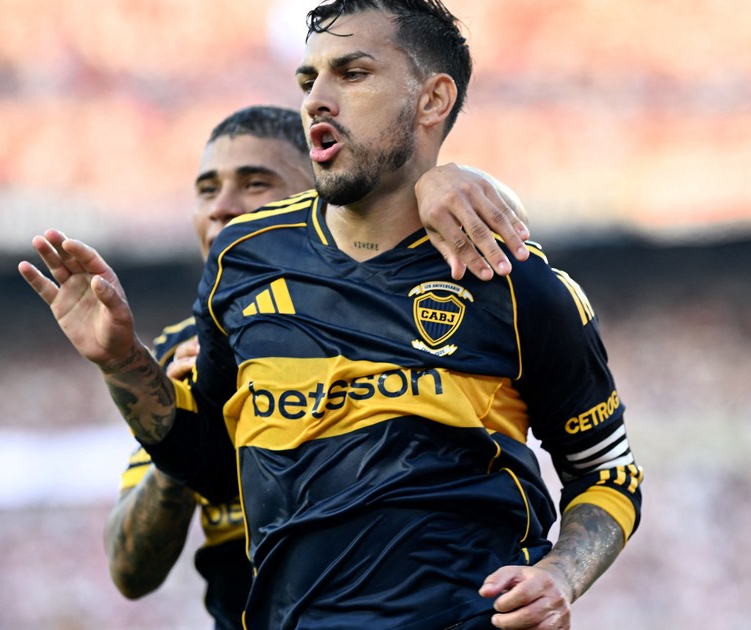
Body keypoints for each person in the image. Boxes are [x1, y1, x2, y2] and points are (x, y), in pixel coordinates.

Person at [22, 2, 642, 627]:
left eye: (352, 73)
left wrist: (561, 575)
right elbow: (210, 462)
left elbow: (608, 473)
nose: (317, 98)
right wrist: (123, 362)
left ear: (432, 100)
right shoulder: (243, 259)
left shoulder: (514, 282)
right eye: (308, 79)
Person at [94, 104, 537, 629]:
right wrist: (184, 437)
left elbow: (516, 252)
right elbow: (129, 572)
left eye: (255, 183)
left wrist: (453, 179)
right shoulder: (177, 354)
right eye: (207, 190)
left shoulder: (399, 317)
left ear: (320, 196)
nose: (222, 208)